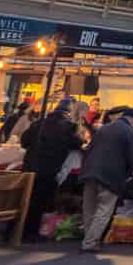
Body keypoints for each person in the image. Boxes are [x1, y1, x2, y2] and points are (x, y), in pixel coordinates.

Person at [20, 99, 84, 240]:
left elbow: (24, 141)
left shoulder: (38, 124)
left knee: (25, 200)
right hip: (49, 169)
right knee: (40, 202)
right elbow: (78, 143)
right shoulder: (68, 126)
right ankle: (31, 232)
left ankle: (15, 231)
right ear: (69, 113)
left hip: (29, 167)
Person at [78, 106, 133, 253]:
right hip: (110, 175)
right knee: (104, 209)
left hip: (89, 172)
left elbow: (88, 149)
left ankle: (89, 239)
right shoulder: (130, 132)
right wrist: (128, 174)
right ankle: (89, 243)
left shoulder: (103, 129)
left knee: (89, 208)